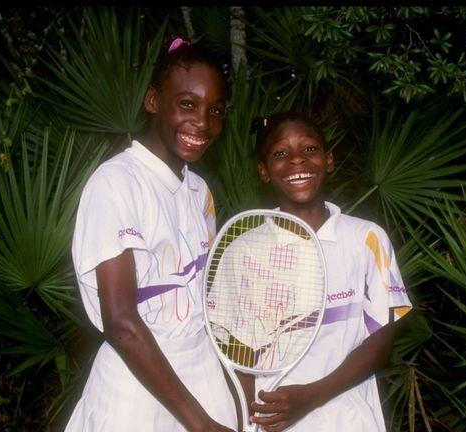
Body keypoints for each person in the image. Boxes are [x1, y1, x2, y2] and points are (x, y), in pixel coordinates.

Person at [65, 36, 238, 432]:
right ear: (153, 101)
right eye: (188, 105)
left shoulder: (199, 191)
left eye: (216, 110)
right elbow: (122, 323)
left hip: (203, 375)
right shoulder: (115, 183)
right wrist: (203, 424)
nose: (203, 123)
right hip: (136, 388)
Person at [243, 111, 413, 432]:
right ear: (263, 171)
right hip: (273, 422)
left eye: (309, 149)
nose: (297, 161)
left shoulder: (367, 238)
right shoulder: (245, 250)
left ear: (329, 159)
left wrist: (311, 397)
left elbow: (382, 339)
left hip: (350, 419)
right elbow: (237, 354)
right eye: (280, 154)